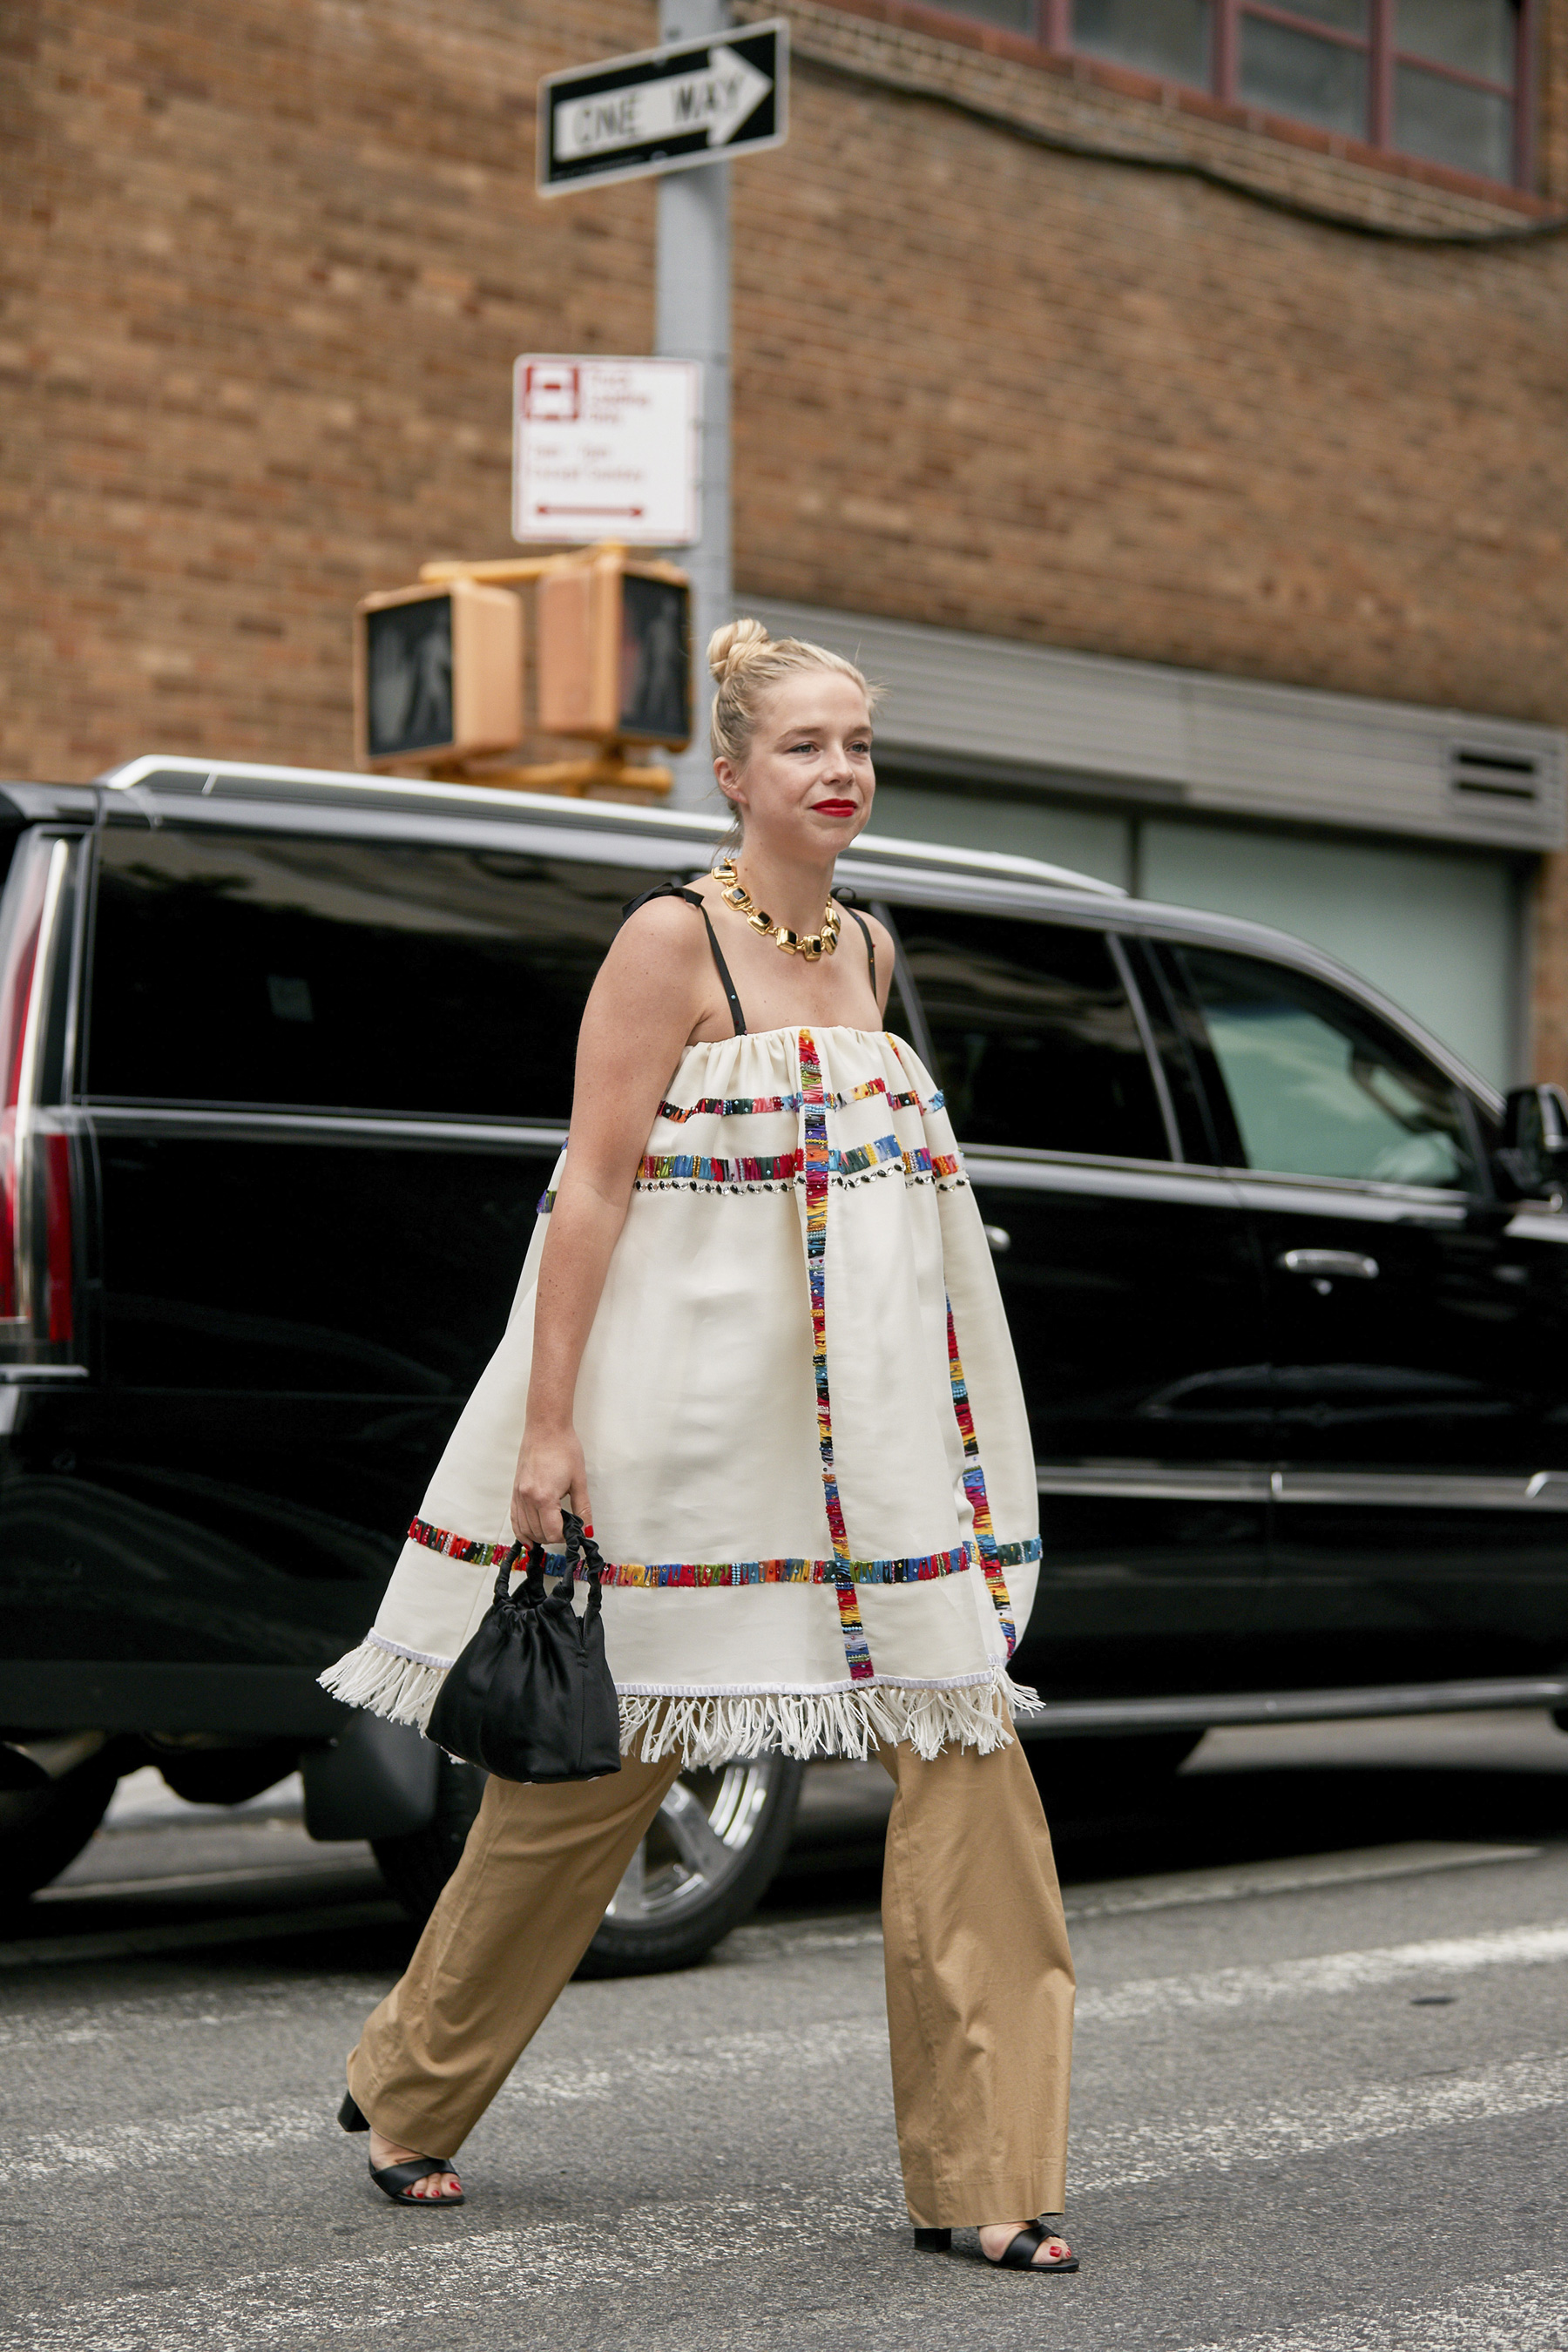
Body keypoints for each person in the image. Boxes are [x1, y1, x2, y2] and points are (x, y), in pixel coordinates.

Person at [321, 620, 1078, 2271]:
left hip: (864, 1444)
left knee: (968, 1762)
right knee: (584, 1787)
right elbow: (586, 1191)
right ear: (731, 772)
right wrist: (545, 1433)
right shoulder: (669, 944)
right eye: (807, 745)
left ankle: (992, 2172)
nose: (842, 773)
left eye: (860, 743)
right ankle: (409, 2088)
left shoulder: (871, 951)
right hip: (680, 1429)